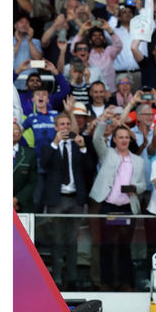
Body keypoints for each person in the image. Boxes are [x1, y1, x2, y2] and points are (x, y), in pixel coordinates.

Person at [88, 117, 146, 290]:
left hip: (127, 208)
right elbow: (96, 139)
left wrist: (135, 188)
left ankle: (125, 283)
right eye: (120, 137)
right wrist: (103, 121)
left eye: (126, 137)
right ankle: (106, 282)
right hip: (108, 207)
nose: (124, 140)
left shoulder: (138, 161)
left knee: (124, 247)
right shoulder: (107, 154)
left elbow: (143, 185)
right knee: (106, 246)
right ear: (114, 140)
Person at [38, 112, 90, 289]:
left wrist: (83, 148)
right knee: (57, 240)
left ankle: (72, 278)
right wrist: (55, 143)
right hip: (57, 199)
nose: (66, 127)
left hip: (75, 199)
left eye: (68, 124)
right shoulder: (48, 146)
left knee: (72, 240)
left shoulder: (78, 145)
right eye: (62, 124)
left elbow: (89, 169)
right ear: (56, 127)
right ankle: (57, 278)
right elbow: (44, 165)